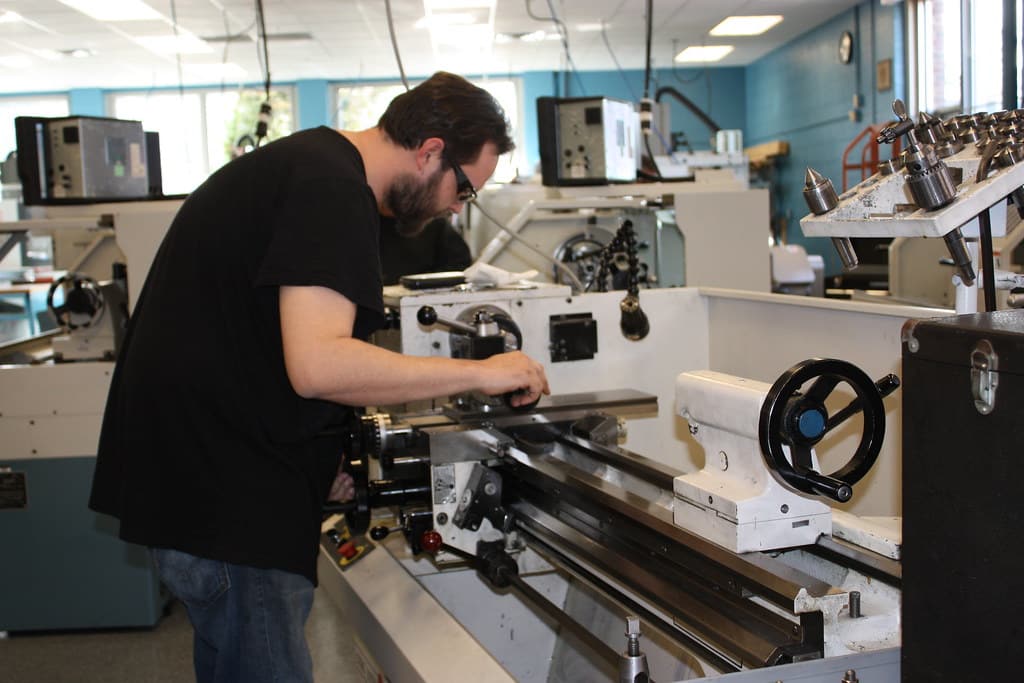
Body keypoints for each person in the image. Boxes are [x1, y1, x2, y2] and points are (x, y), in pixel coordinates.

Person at [89, 71, 549, 683]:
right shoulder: (331, 189)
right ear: (431, 150)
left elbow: (259, 349)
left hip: (203, 489)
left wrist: (320, 456)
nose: (455, 208)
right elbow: (318, 365)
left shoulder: (309, 166)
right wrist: (480, 373)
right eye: (464, 189)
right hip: (229, 506)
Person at [379, 214, 472, 285]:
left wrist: (424, 282)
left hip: (423, 295)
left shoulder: (434, 222)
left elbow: (460, 265)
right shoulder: (371, 218)